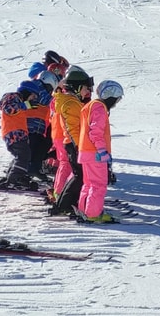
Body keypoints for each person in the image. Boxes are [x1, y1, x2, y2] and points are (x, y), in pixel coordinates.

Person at [76, 80, 125, 223]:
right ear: (111, 95)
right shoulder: (99, 108)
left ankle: (84, 209)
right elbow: (95, 132)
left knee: (89, 183)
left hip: (86, 151)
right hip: (95, 154)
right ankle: (93, 214)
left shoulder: (90, 105)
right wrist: (103, 151)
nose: (116, 103)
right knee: (98, 185)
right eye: (117, 99)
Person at [50, 67, 94, 214]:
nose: (87, 92)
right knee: (78, 175)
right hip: (74, 145)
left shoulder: (72, 101)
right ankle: (64, 204)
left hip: (73, 144)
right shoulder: (71, 104)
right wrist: (79, 146)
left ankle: (66, 201)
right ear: (77, 87)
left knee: (77, 175)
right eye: (85, 88)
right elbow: (73, 128)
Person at [0, 80, 50, 191]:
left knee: (22, 155)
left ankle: (15, 177)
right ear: (26, 92)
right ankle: (13, 180)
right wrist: (26, 105)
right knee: (23, 156)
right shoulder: (12, 97)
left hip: (18, 133)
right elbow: (9, 109)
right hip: (14, 132)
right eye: (32, 96)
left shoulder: (19, 101)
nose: (33, 99)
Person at [27, 71, 60, 177]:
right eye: (51, 88)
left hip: (34, 126)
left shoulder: (36, 86)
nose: (51, 92)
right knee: (32, 149)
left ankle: (28, 170)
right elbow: (48, 101)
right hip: (32, 126)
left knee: (33, 150)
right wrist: (61, 99)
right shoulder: (39, 88)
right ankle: (26, 172)